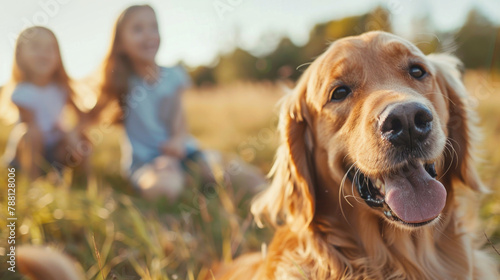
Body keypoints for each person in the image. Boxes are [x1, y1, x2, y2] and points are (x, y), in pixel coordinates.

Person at [81, 5, 215, 200]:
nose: (149, 35)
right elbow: (89, 116)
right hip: (146, 163)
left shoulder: (174, 75)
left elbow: (179, 118)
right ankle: (186, 181)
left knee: (229, 174)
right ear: (120, 43)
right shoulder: (120, 82)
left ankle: (194, 177)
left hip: (184, 153)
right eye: (138, 29)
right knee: (165, 189)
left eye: (154, 27)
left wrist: (177, 141)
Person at [0, 26, 88, 180]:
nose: (43, 53)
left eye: (50, 48)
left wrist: (73, 137)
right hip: (25, 153)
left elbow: (79, 117)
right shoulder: (21, 92)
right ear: (20, 55)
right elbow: (32, 126)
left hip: (53, 150)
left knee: (83, 138)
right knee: (32, 133)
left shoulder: (61, 89)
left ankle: (88, 182)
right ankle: (33, 182)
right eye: (35, 47)